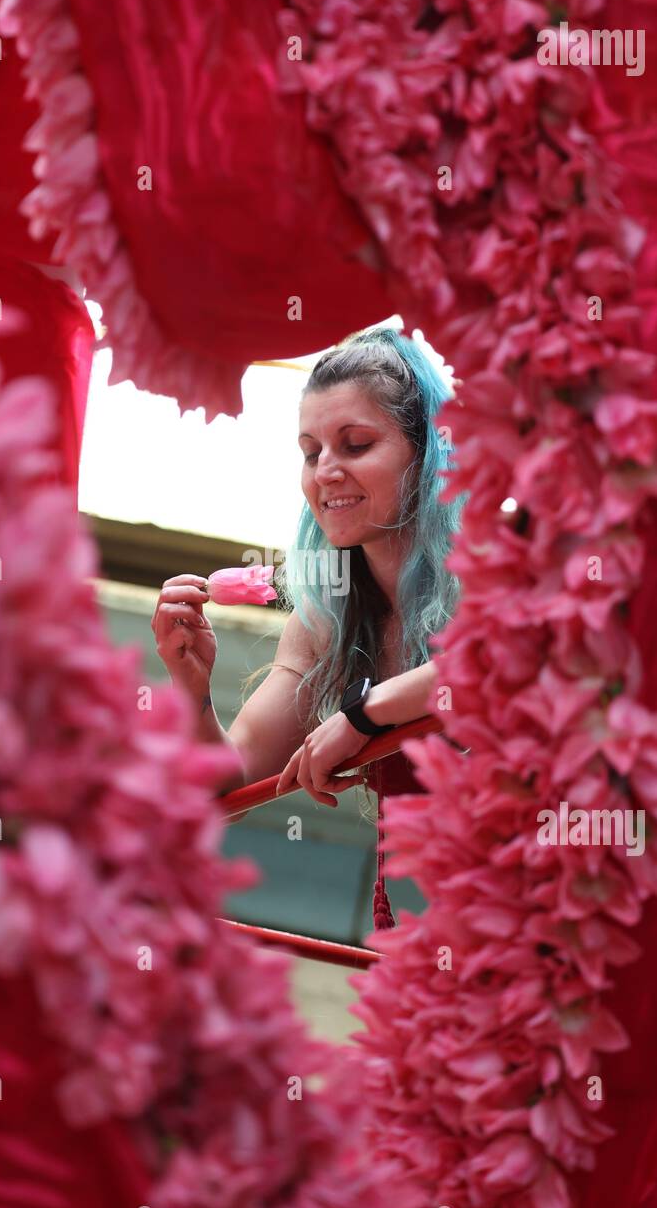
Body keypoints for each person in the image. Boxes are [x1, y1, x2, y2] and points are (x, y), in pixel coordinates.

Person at [151, 327, 465, 855]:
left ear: (426, 452)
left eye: (356, 445)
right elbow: (227, 791)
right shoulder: (325, 617)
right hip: (452, 915)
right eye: (309, 451)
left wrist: (363, 715)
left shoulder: (497, 565)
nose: (325, 473)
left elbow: (502, 657)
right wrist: (192, 688)